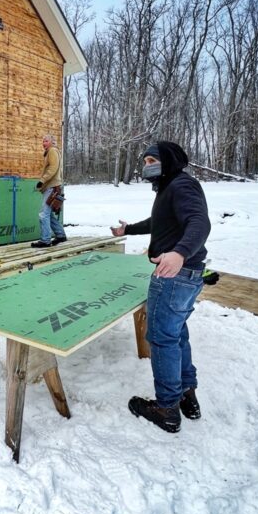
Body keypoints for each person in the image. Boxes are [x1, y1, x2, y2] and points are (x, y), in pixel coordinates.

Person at [110, 141, 211, 433]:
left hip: (174, 275)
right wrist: (127, 230)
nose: (146, 165)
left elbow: (199, 222)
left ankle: (167, 408)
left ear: (167, 161)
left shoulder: (182, 186)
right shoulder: (171, 188)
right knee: (176, 333)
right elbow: (160, 221)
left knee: (161, 338)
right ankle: (186, 395)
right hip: (187, 275)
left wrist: (179, 253)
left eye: (152, 159)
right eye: (145, 160)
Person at [31, 134, 67, 248]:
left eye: (46, 141)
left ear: (52, 142)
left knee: (43, 214)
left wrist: (42, 180)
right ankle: (60, 235)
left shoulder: (52, 151)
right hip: (54, 187)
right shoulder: (52, 151)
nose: (43, 143)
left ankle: (45, 240)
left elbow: (53, 168)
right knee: (48, 214)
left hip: (52, 187)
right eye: (43, 141)